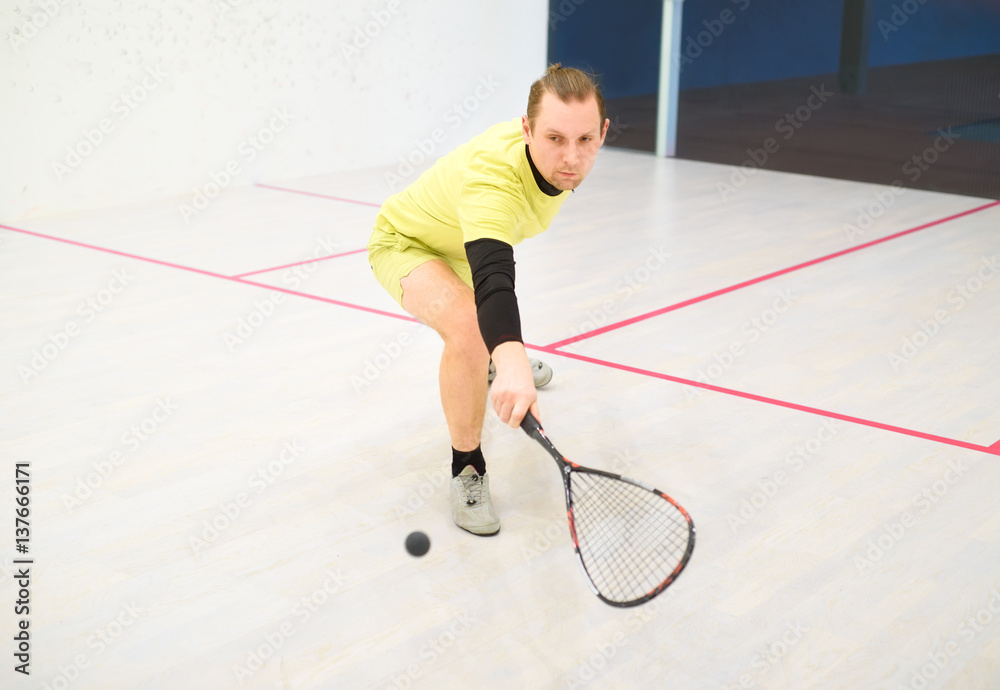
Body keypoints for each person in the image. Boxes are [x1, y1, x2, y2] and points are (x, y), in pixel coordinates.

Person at [368, 64, 610, 536]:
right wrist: (510, 354)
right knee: (470, 334)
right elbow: (495, 279)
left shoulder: (565, 163)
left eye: (585, 141)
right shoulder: (492, 179)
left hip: (462, 246)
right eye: (555, 138)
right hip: (406, 244)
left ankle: (495, 362)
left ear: (603, 132)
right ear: (526, 129)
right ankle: (467, 469)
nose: (571, 157)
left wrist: (508, 351)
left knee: (487, 338)